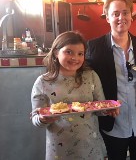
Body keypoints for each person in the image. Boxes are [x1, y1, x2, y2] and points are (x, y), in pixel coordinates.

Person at [86, 0, 136, 160]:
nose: (121, 18)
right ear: (107, 17)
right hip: (113, 124)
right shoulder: (94, 47)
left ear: (131, 16)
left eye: (125, 13)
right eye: (115, 13)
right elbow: (87, 81)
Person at [30, 31, 119, 160]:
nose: (75, 58)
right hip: (59, 149)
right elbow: (35, 118)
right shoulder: (43, 82)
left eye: (80, 54)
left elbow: (100, 107)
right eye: (69, 52)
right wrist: (42, 119)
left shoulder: (91, 76)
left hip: (90, 146)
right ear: (56, 52)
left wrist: (108, 110)